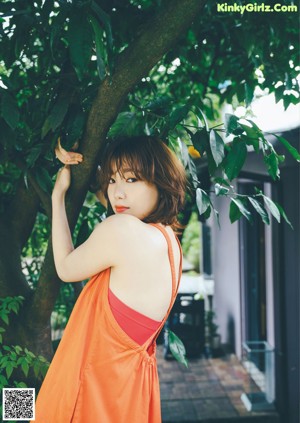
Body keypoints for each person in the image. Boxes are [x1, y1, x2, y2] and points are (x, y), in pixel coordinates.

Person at [32, 136, 187, 423]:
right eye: (112, 180)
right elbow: (112, 196)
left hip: (87, 391)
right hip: (127, 395)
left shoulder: (122, 230)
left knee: (17, 392)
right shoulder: (168, 241)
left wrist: (58, 197)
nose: (117, 193)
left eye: (131, 180)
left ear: (161, 182)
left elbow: (65, 268)